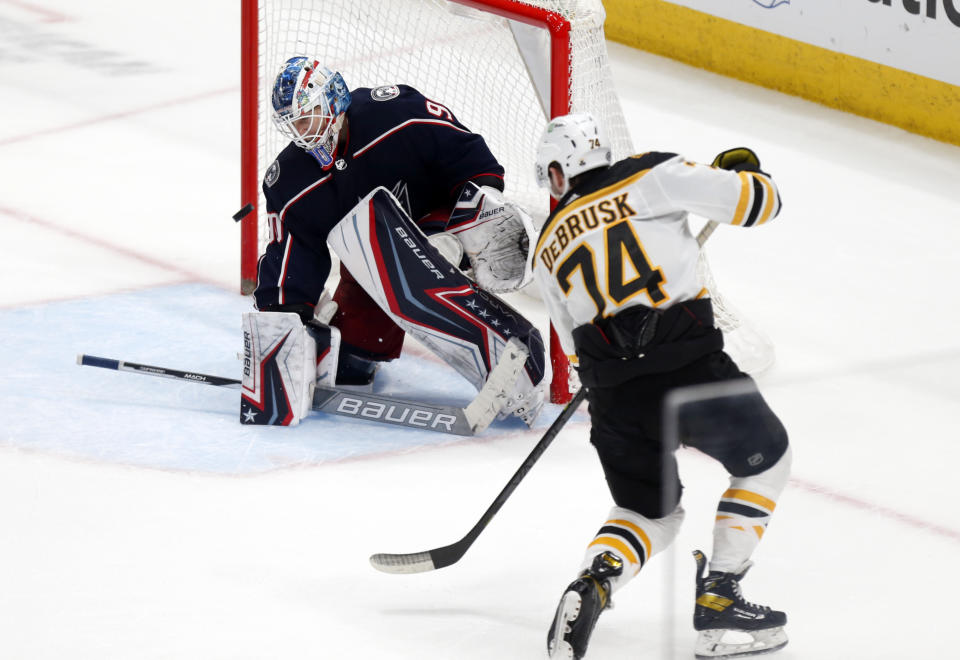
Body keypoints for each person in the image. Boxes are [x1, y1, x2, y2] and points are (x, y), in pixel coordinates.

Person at [532, 113, 792, 659]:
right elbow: (760, 204)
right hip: (689, 370)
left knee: (649, 511)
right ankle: (720, 596)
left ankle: (594, 581)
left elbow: (571, 343)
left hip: (615, 395)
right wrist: (750, 176)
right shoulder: (649, 174)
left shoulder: (549, 247)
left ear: (559, 171)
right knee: (766, 461)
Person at [241, 56, 546, 428]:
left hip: (442, 226)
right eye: (295, 123)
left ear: (334, 98)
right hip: (374, 261)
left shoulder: (395, 113)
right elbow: (292, 254)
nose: (305, 130)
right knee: (350, 365)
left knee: (433, 249)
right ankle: (364, 347)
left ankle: (485, 320)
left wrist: (481, 205)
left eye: (310, 114)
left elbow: (464, 153)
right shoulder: (290, 181)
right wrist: (284, 319)